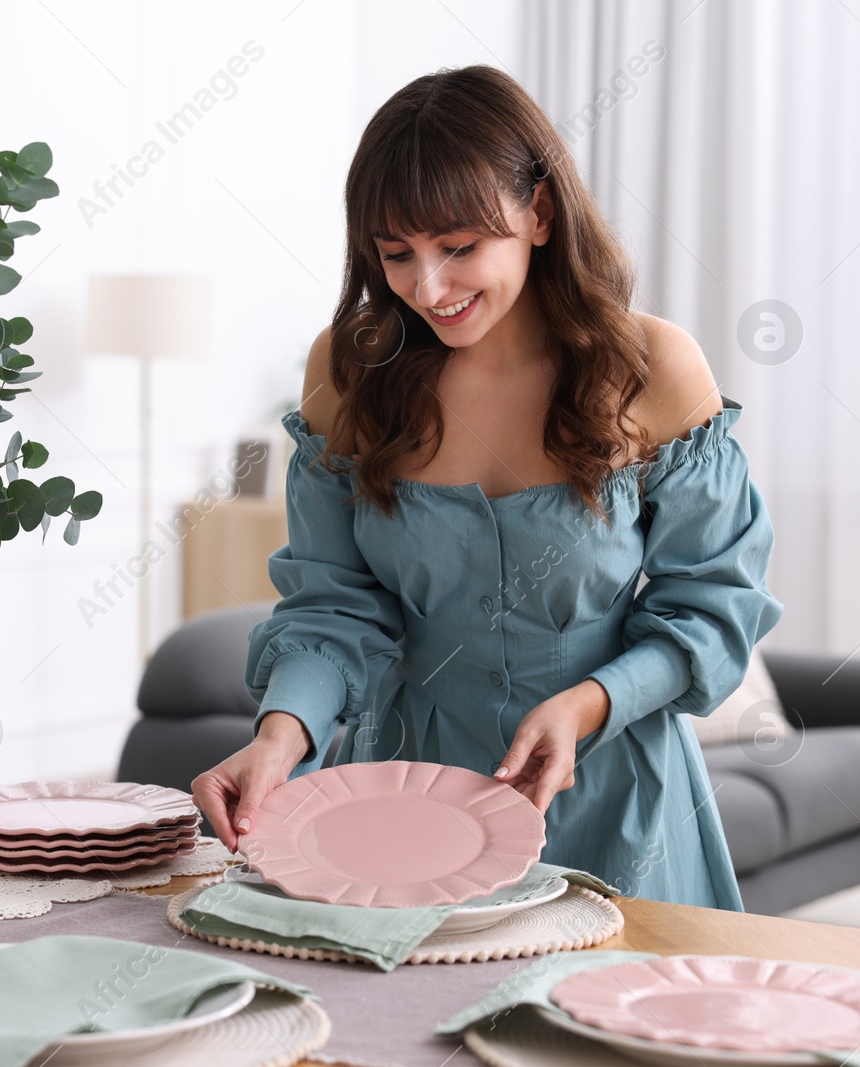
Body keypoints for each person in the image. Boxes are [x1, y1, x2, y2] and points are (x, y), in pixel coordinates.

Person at [190, 65, 784, 910]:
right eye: (396, 255)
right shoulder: (351, 372)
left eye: (459, 247)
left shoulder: (651, 370)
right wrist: (281, 734)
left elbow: (713, 606)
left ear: (539, 214)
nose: (428, 288)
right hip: (404, 792)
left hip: (613, 782)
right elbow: (334, 606)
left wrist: (589, 704)